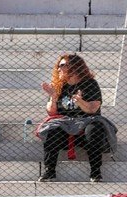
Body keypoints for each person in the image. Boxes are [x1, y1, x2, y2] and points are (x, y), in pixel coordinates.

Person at [38, 52, 114, 182]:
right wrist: (53, 97)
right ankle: (49, 171)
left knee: (94, 129)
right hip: (66, 127)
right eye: (59, 65)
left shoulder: (90, 84)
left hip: (86, 124)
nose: (58, 69)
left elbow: (93, 109)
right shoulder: (59, 86)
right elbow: (51, 112)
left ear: (73, 66)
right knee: (52, 129)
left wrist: (80, 101)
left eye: (62, 65)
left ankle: (95, 172)